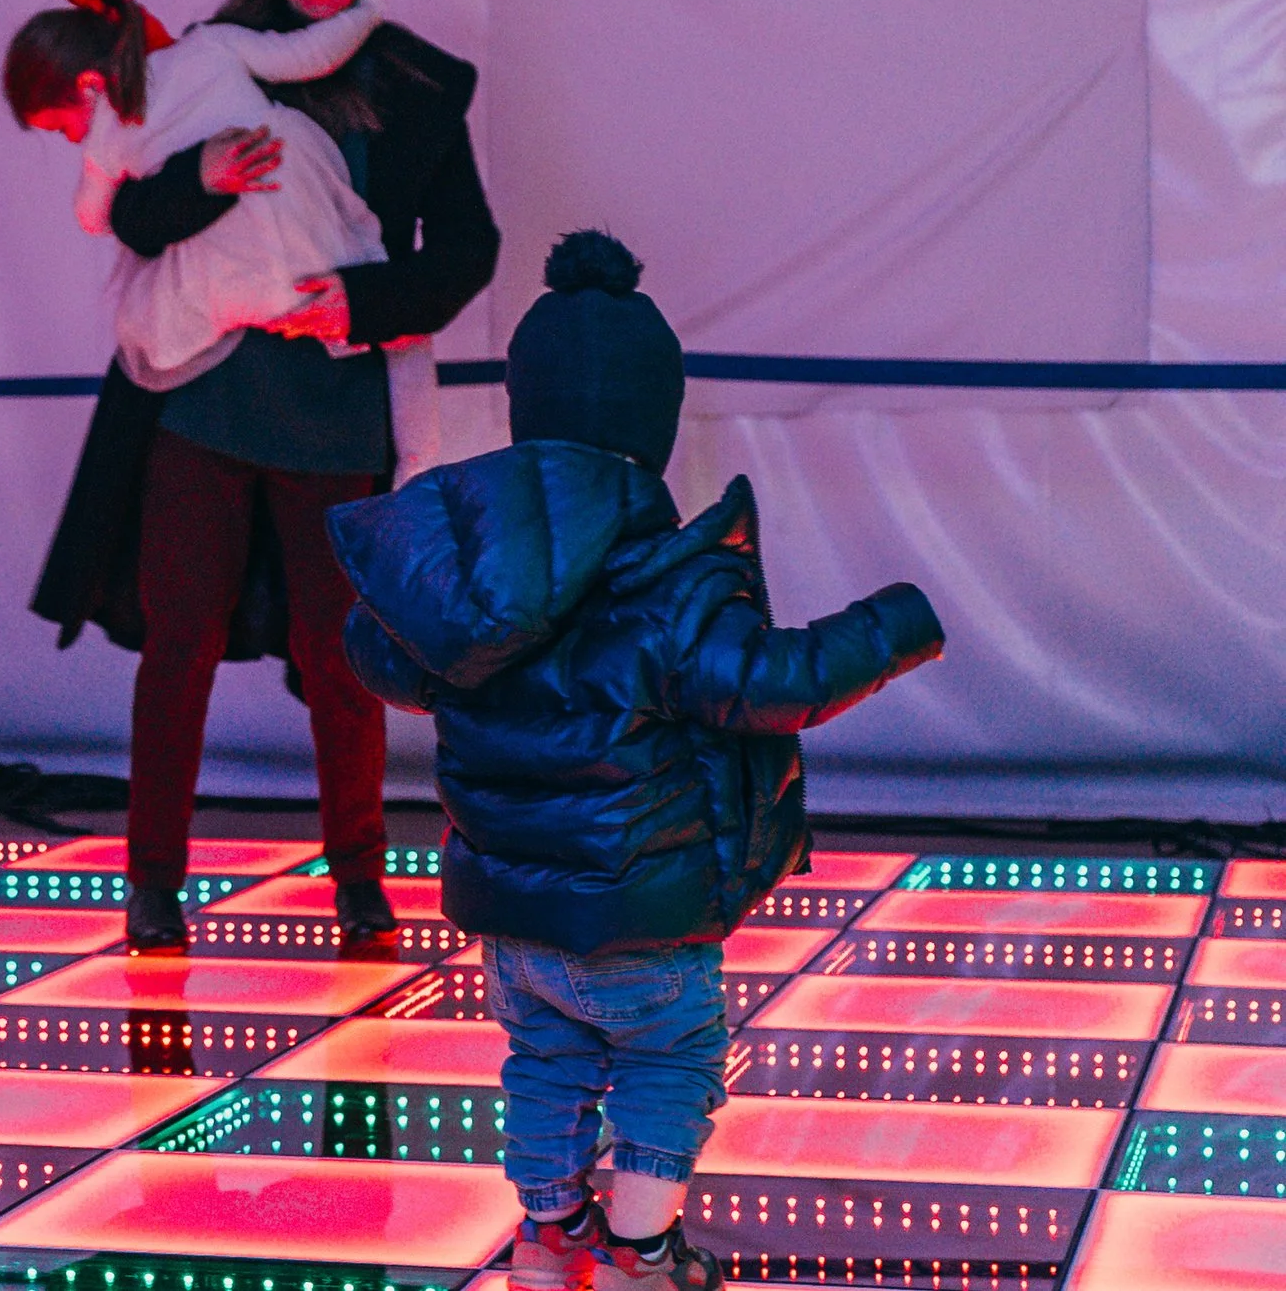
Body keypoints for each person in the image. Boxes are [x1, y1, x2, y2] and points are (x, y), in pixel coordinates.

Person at [324, 231, 946, 1289]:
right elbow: (773, 682)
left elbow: (377, 649)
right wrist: (892, 625)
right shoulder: (669, 581)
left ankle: (547, 1233)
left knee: (546, 1060)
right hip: (643, 908)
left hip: (513, 910)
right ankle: (641, 1250)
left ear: (528, 410)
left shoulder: (472, 592)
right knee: (669, 1058)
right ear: (650, 427)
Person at [32, 0, 501, 952]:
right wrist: (196, 176)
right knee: (176, 640)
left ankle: (358, 883)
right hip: (201, 391)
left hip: (334, 400)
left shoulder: (415, 83)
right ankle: (152, 882)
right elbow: (135, 217)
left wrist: (363, 304)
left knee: (342, 659)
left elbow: (467, 249)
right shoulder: (209, 54)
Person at [2, 0, 439, 485]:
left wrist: (99, 170)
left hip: (234, 267)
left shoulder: (107, 137)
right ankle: (419, 458)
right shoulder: (209, 46)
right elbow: (305, 55)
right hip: (291, 211)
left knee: (168, 335)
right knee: (393, 320)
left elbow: (92, 217)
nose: (70, 138)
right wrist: (365, 14)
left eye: (60, 127)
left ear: (91, 86)